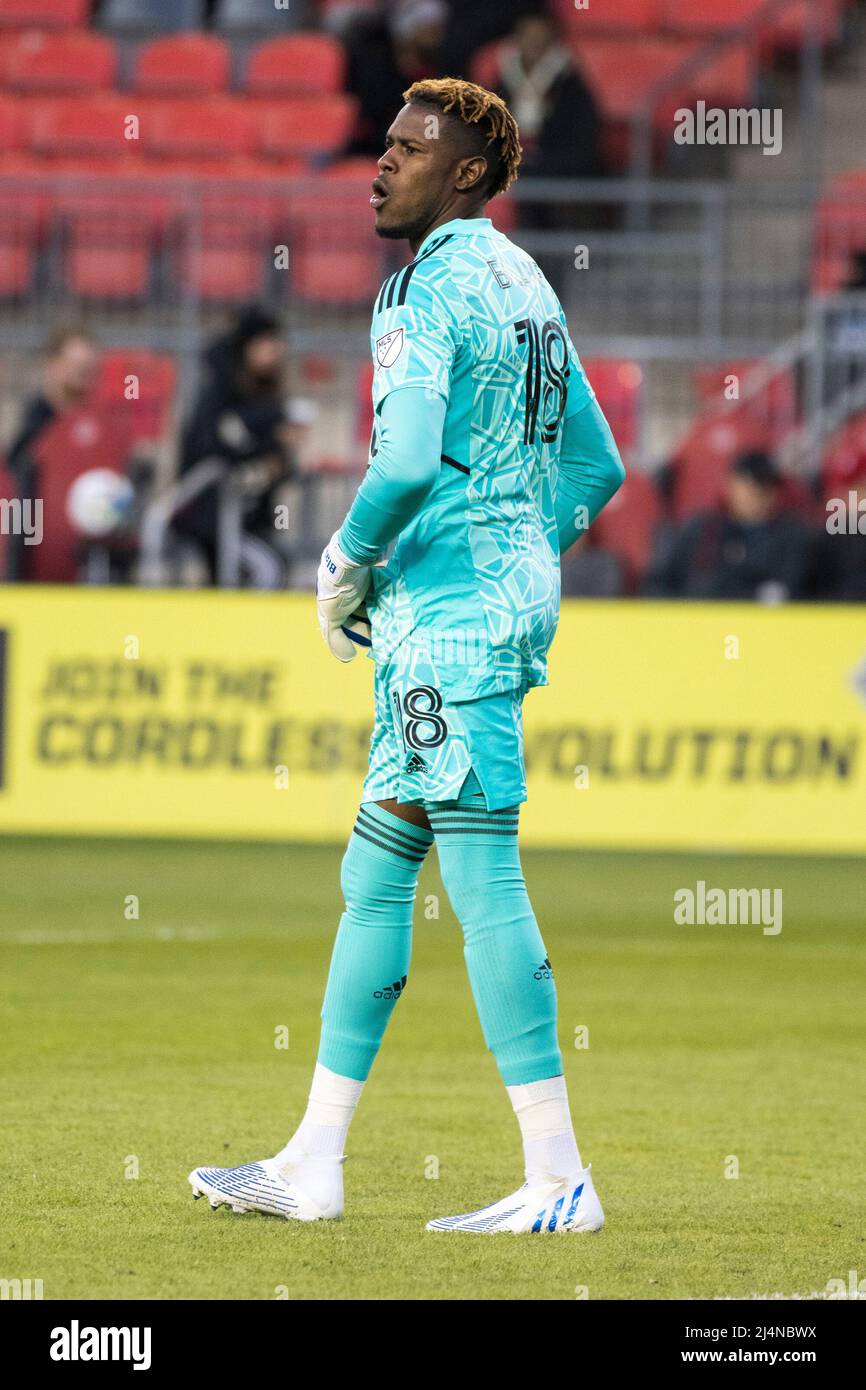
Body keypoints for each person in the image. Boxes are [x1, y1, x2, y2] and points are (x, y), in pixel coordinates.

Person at [189, 78, 625, 1234]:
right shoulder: (525, 281)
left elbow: (408, 462)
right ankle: (313, 1159)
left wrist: (346, 561)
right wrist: (520, 546)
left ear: (466, 175)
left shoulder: (421, 290)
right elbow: (597, 469)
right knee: (378, 869)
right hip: (478, 606)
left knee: (481, 883)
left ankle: (557, 1176)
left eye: (408, 149)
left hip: (449, 621)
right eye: (382, 146)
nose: (381, 165)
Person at [173, 307, 295, 589]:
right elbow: (211, 445)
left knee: (261, 570)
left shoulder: (266, 394)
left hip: (248, 518)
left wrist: (280, 457)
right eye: (267, 343)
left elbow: (278, 462)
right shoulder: (219, 392)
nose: (276, 351)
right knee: (268, 570)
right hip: (211, 516)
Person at [643, 451, 812, 601]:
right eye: (750, 485)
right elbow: (659, 585)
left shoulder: (791, 535)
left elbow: (795, 590)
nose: (759, 494)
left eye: (767, 487)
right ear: (731, 484)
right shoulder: (702, 529)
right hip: (697, 623)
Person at [4, 325, 100, 581]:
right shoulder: (32, 425)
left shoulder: (98, 429)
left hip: (89, 550)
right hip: (35, 553)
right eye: (77, 367)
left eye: (90, 369)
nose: (84, 377)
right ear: (53, 365)